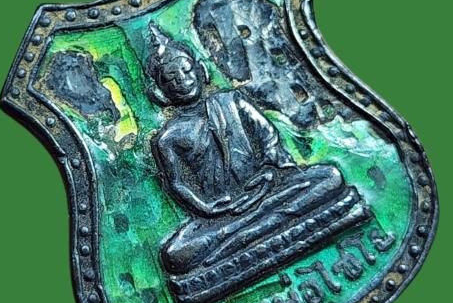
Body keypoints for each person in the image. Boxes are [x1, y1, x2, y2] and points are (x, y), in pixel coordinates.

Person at [145, 24, 347, 276]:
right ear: (160, 92)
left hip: (268, 190)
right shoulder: (168, 138)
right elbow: (178, 184)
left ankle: (245, 239)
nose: (183, 82)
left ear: (201, 70)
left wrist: (271, 171)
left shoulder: (231, 100)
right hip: (223, 216)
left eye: (186, 71)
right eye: (171, 79)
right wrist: (209, 209)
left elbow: (268, 138)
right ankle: (260, 229)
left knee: (329, 177)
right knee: (176, 255)